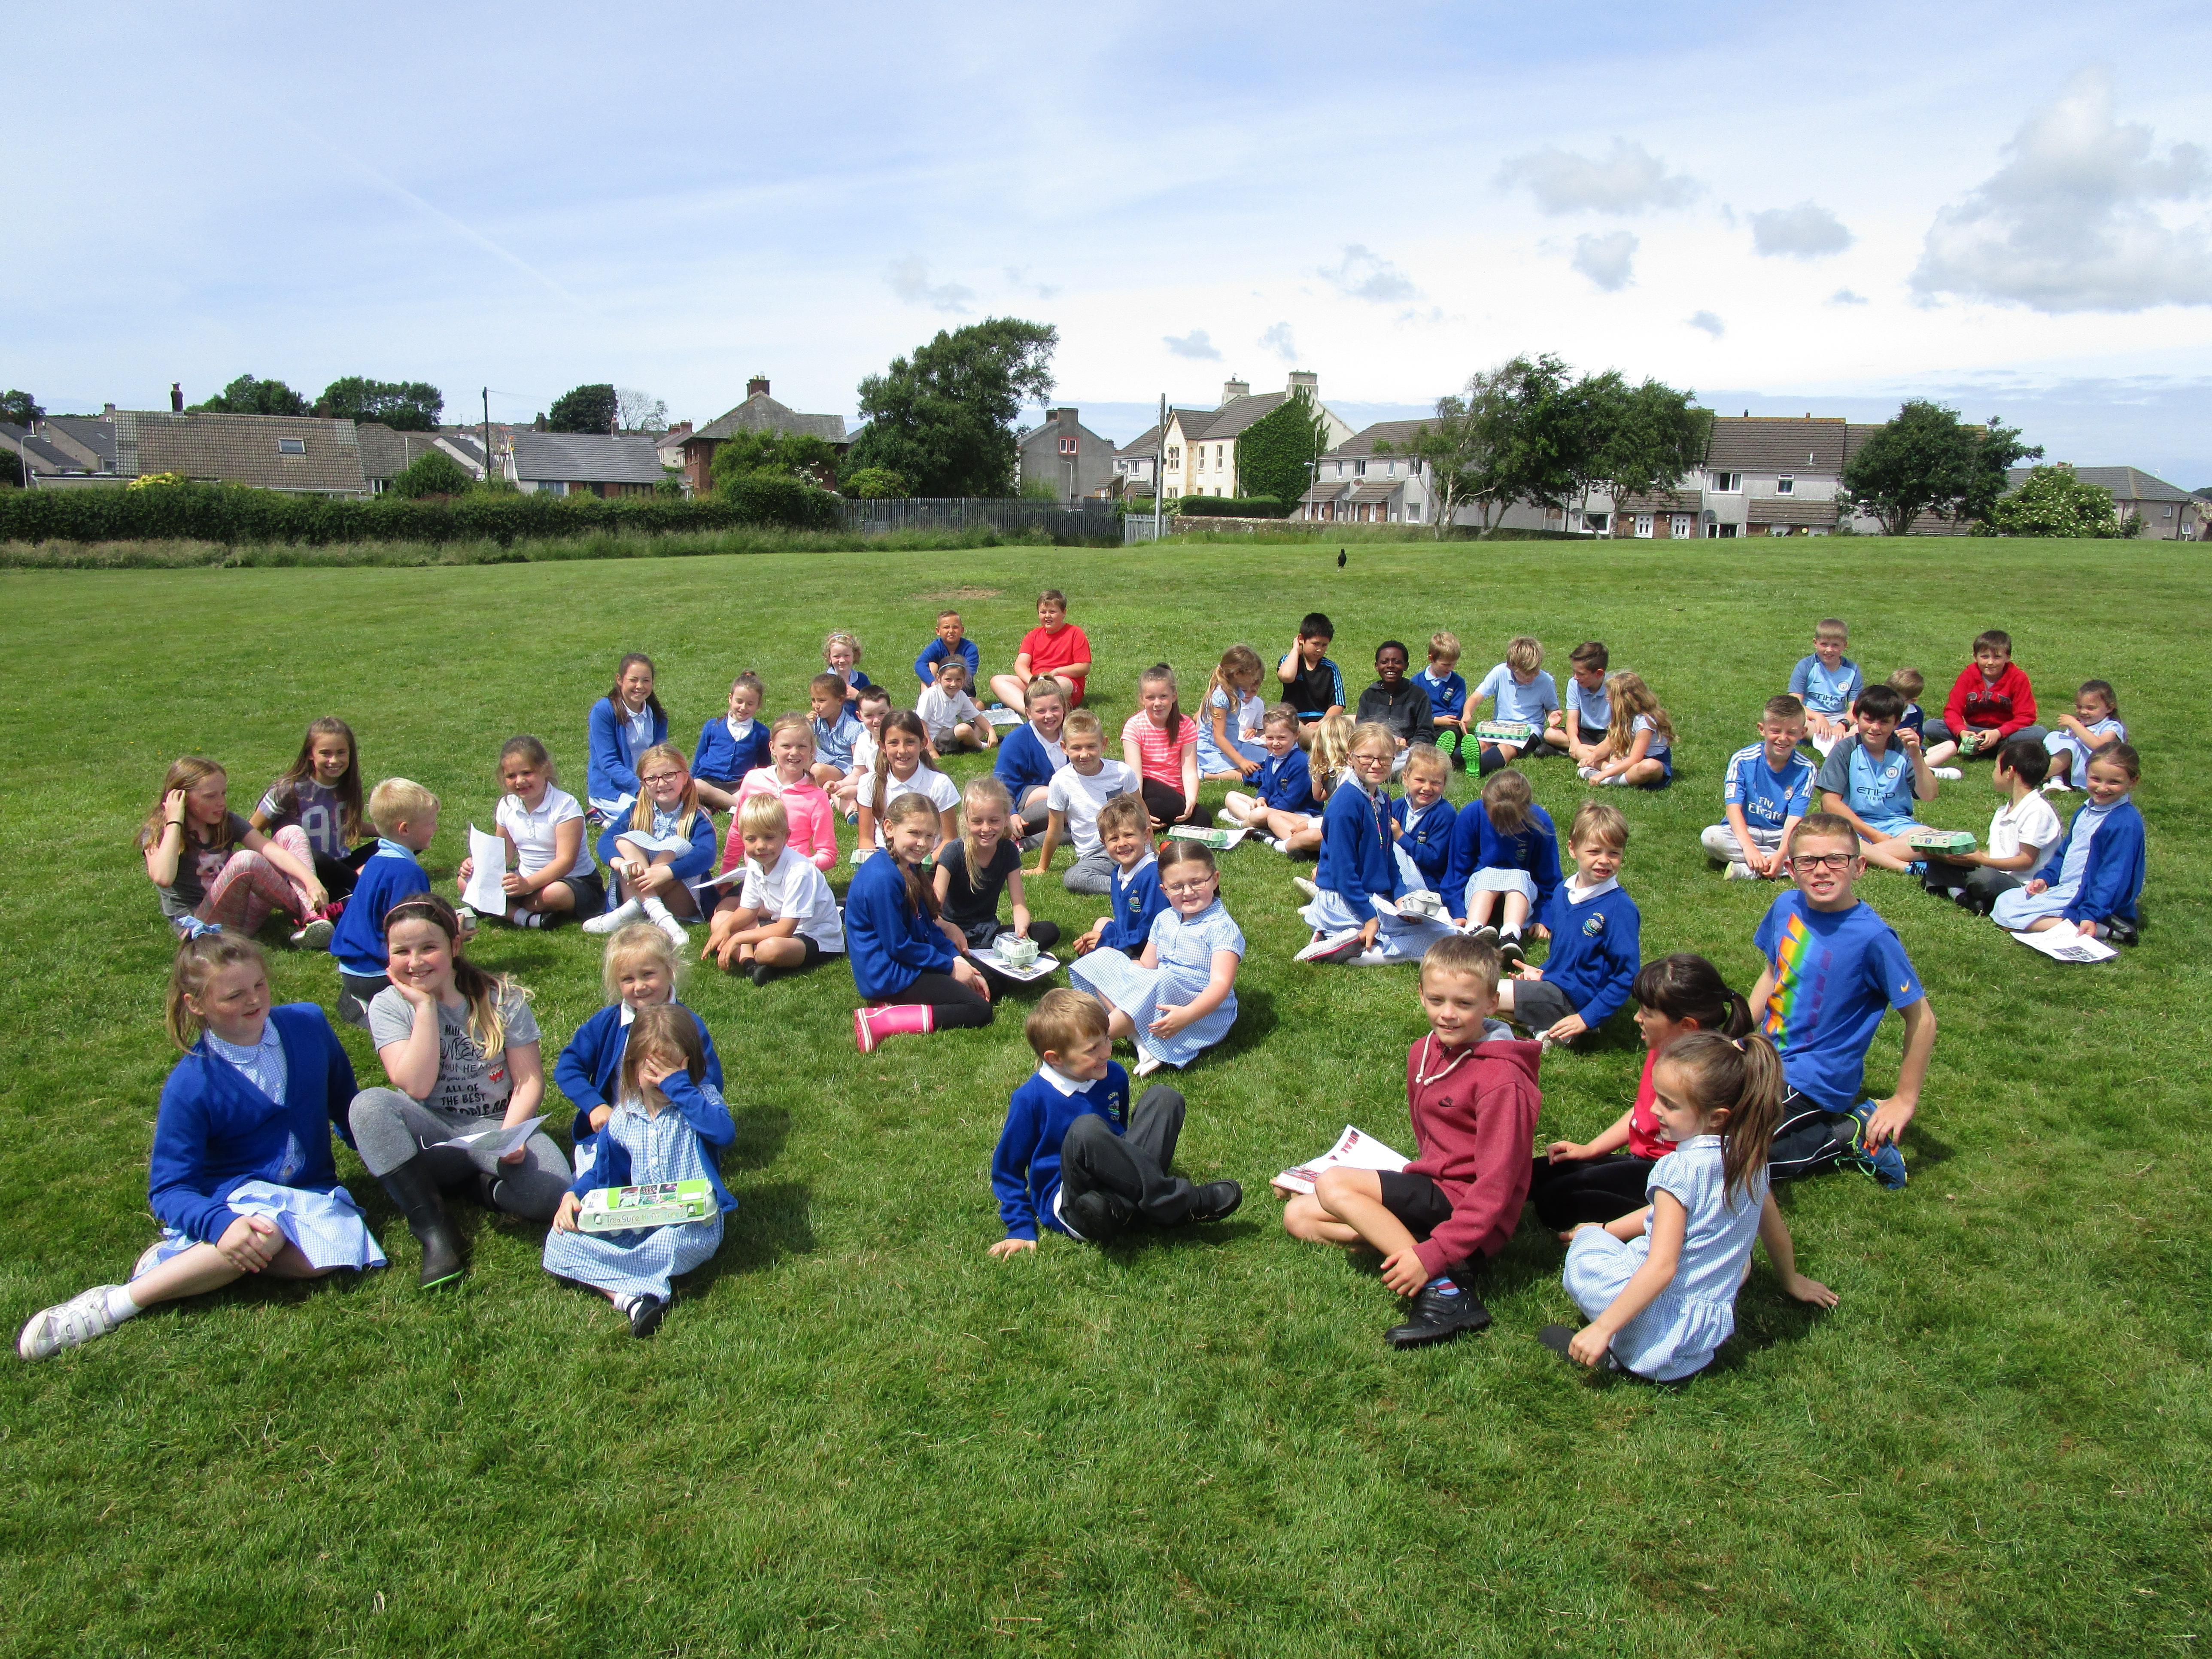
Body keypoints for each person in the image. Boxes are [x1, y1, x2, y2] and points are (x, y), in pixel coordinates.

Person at [17, 934, 383, 1361]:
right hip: (234, 1198)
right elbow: (169, 1189)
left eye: (259, 985)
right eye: (234, 996)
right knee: (264, 1236)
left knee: (323, 1260)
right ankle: (117, 1303)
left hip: (309, 1192)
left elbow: (346, 1106)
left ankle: (191, 1261)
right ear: (197, 1005)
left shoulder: (308, 1024)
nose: (254, 1000)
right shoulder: (192, 1083)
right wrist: (220, 1224)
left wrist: (393, 1162)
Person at [1279, 935, 1540, 1348]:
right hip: (1437, 1189)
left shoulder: (1503, 1081)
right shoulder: (1424, 1051)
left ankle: (1444, 1289)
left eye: (1465, 1003)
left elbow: (1495, 1188)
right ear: (1421, 994)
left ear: (1493, 1003)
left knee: (1334, 1185)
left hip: (1472, 1211)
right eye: (1437, 1000)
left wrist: (1432, 1256)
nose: (1448, 1014)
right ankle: (1423, 1251)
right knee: (1299, 1216)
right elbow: (1433, 1147)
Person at [1544, 1032, 1837, 1382]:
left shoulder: (1679, 1169)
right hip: (1698, 1338)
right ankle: (1652, 1353)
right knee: (1737, 1260)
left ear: (1716, 1117)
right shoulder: (1750, 1160)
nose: (1655, 1110)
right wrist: (1791, 1280)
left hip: (1653, 1321)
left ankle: (1621, 1349)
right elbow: (1772, 1229)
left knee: (1586, 1247)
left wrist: (1602, 1329)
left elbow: (1662, 1267)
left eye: (1670, 1104)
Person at [350, 895, 572, 1285]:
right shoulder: (388, 1005)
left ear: (454, 945)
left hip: (494, 1125)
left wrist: (510, 1136)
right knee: (368, 1106)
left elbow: (529, 1080)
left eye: (428, 948)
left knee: (553, 1193)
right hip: (431, 1133)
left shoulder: (500, 997)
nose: (415, 962)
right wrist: (424, 1007)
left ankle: (480, 1189)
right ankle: (434, 1229)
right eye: (402, 951)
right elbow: (416, 1084)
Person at [1747, 811, 1936, 1188]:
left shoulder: (1873, 938)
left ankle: (1848, 1135)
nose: (1822, 871)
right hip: (1766, 1059)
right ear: (1791, 869)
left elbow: (1923, 1020)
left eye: (1836, 859)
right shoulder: (1786, 906)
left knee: (1738, 1163)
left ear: (1859, 867)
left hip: (1816, 1078)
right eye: (1808, 861)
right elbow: (1771, 974)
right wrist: (1733, 1035)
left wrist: (1904, 1099)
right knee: (1696, 1122)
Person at [988, 988, 1242, 1252]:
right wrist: (1020, 1227)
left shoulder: (1114, 1075)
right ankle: (1180, 1203)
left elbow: (1121, 1137)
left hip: (1111, 1183)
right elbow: (1007, 1170)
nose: (1107, 1052)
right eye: (1093, 1048)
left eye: (1107, 1038)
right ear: (1056, 1058)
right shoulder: (1031, 1098)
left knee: (1164, 1098)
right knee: (1086, 1130)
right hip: (1072, 1195)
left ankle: (1121, 1208)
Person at [544, 1004, 735, 1340]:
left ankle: (625, 1288)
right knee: (560, 1240)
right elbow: (604, 1173)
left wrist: (681, 1088)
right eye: (654, 1070)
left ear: (690, 1066)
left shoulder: (700, 1101)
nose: (663, 1080)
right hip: (640, 1221)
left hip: (692, 1224)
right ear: (632, 1068)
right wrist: (574, 1194)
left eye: (672, 1070)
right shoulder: (623, 1117)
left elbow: (724, 1133)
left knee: (669, 1245)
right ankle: (632, 1300)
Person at [1530, 954, 1753, 1232]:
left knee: (1556, 1201)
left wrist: (1607, 1230)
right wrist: (1591, 1150)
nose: (1637, 1018)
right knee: (1536, 1173)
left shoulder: (1704, 1075)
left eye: (1648, 1012)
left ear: (1687, 1026)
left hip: (1670, 1175)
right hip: (1641, 1161)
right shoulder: (1665, 1045)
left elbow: (1704, 1182)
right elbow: (1642, 1111)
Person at [553, 921, 724, 1162]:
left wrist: (692, 1108)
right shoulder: (608, 1022)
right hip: (615, 1130)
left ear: (671, 969)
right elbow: (568, 1066)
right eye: (628, 979)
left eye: (648, 974)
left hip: (674, 1132)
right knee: (597, 1175)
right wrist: (594, 1105)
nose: (639, 986)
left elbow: (709, 1082)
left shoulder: (688, 1025)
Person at [1069, 840, 1243, 1076]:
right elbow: (1146, 965)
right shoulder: (1165, 918)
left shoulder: (1222, 927)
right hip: (1159, 988)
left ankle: (1088, 1042)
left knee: (1160, 980)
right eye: (1177, 887)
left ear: (1215, 879)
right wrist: (1120, 972)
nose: (1188, 892)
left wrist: (1186, 1016)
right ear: (1164, 890)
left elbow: (1221, 985)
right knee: (1104, 957)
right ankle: (1139, 1039)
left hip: (1200, 1009)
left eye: (1197, 882)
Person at [847, 791, 997, 1050]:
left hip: (910, 963)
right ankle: (883, 1020)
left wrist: (956, 959)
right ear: (889, 828)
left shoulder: (910, 867)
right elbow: (898, 946)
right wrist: (949, 968)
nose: (922, 843)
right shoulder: (882, 878)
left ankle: (901, 1005)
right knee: (978, 1009)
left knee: (987, 978)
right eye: (914, 833)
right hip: (889, 975)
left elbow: (928, 928)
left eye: (930, 836)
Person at [1297, 723, 1455, 966]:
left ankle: (1341, 937)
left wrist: (1400, 898)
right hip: (1346, 899)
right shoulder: (1346, 803)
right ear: (1350, 758)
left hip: (1369, 896)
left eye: (1384, 759)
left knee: (1441, 931)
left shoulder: (1381, 799)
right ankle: (1347, 950)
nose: (1376, 765)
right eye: (1366, 757)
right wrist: (1370, 917)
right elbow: (1343, 872)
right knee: (1439, 942)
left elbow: (1389, 858)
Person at [141, 756, 329, 946]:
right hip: (205, 930)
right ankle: (312, 911)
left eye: (223, 793)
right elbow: (163, 878)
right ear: (181, 798)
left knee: (291, 833)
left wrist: (311, 881)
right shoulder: (158, 832)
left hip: (242, 914)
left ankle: (314, 918)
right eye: (210, 796)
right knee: (246, 860)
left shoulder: (226, 821)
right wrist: (175, 821)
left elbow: (270, 849)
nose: (221, 803)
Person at [1496, 799, 1639, 1042]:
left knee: (1483, 994)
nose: (1604, 860)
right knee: (1482, 993)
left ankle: (1571, 1029)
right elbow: (1567, 952)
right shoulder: (1564, 891)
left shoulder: (1620, 908)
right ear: (1573, 849)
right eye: (1594, 851)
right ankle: (1549, 1030)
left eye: (1614, 853)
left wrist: (1587, 1018)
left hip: (1580, 1001)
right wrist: (1544, 973)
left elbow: (1627, 974)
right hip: (1557, 987)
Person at [1990, 742, 2145, 943]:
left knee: (2009, 914)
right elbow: (2066, 852)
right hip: (2068, 888)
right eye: (2096, 779)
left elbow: (2114, 875)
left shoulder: (2124, 822)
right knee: (2006, 900)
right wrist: (2046, 878)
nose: (2102, 788)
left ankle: (2100, 928)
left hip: (2089, 895)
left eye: (2114, 782)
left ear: (2133, 781)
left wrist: (2092, 912)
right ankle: (2082, 922)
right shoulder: (2087, 810)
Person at [460, 735, 606, 928]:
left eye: (527, 773)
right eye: (511, 776)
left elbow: (565, 862)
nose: (520, 781)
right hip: (525, 878)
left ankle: (499, 907)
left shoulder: (564, 805)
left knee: (554, 894)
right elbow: (503, 855)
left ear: (545, 769)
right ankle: (525, 917)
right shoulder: (506, 805)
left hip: (572, 881)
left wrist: (527, 885)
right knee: (464, 882)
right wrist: (477, 866)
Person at [328, 778, 439, 1028]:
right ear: (405, 829)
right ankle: (376, 1012)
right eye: (431, 822)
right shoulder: (407, 873)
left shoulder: (374, 862)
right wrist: (453, 931)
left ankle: (356, 999)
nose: (436, 828)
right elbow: (413, 931)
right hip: (378, 974)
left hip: (351, 968)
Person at [935, 777, 1060, 990]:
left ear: (1005, 819)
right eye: (978, 821)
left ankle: (990, 969)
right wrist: (948, 927)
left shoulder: (1008, 850)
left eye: (994, 821)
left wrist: (1021, 930)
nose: (986, 829)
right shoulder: (953, 852)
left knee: (1049, 931)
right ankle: (991, 970)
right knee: (984, 977)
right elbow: (931, 911)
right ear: (966, 820)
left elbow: (1019, 905)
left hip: (990, 933)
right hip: (954, 938)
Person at [704, 793, 846, 981]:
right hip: (778, 925)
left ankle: (757, 956)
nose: (760, 846)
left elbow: (786, 929)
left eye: (769, 837)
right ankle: (751, 965)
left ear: (786, 836)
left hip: (814, 937)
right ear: (742, 838)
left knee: (769, 949)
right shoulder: (756, 863)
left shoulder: (799, 871)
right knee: (720, 920)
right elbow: (748, 910)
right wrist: (727, 928)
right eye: (751, 839)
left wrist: (738, 937)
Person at [584, 744, 716, 945]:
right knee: (626, 840)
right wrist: (621, 864)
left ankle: (632, 911)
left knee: (675, 845)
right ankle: (660, 917)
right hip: (639, 887)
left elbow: (707, 855)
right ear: (643, 784)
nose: (661, 783)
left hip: (680, 898)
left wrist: (666, 872)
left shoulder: (697, 816)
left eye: (669, 775)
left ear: (685, 777)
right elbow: (605, 841)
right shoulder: (635, 811)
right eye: (652, 778)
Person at [1918, 736, 2062, 915]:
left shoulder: (2037, 811)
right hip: (1997, 871)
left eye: (1995, 768)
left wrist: (1982, 861)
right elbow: (1996, 854)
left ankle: (1959, 893)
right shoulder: (2004, 810)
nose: (1993, 774)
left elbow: (2026, 862)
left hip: (2022, 885)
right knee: (1940, 862)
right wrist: (1954, 857)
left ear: (2009, 772)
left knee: (1984, 879)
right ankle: (1967, 898)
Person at [1815, 683, 1939, 873]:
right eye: (1869, 720)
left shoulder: (1904, 750)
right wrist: (1874, 834)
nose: (1875, 728)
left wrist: (1916, 755)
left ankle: (1857, 855)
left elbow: (1929, 795)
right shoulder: (1845, 749)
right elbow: (1830, 803)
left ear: (1897, 723)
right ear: (1857, 717)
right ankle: (1905, 866)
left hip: (1898, 825)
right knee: (1840, 839)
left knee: (1941, 841)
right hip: (1853, 826)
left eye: (1884, 722)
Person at [250, 716, 371, 903]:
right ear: (310, 754)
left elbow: (346, 825)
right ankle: (363, 886)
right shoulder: (288, 790)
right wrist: (274, 863)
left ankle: (346, 891)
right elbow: (252, 830)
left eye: (341, 753)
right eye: (325, 753)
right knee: (314, 856)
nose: (334, 760)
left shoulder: (347, 786)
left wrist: (390, 832)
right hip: (306, 870)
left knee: (404, 840)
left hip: (341, 863)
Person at [1443, 768, 1562, 957]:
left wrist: (1544, 917)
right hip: (1479, 890)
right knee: (1488, 874)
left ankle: (1511, 935)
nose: (1505, 828)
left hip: (1521, 895)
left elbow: (1549, 877)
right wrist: (1457, 911)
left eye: (1512, 823)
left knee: (1517, 875)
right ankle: (1473, 930)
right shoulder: (1471, 815)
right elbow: (1457, 870)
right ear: (1484, 798)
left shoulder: (1540, 822)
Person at [1702, 696, 1814, 880]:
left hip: (1780, 835)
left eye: (1791, 732)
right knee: (1712, 837)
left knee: (1816, 845)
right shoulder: (1742, 760)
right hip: (1746, 831)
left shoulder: (1807, 769)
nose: (1783, 738)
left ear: (1803, 733)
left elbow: (1795, 818)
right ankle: (1782, 866)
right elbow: (1733, 808)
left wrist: (1781, 853)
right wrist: (1749, 849)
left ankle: (1747, 870)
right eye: (1776, 731)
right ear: (1762, 729)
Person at [1030, 708, 1140, 895]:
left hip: (1130, 845)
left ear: (1104, 744)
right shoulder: (1061, 782)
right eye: (1076, 748)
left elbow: (1140, 811)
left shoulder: (1121, 773)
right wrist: (1042, 867)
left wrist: (1150, 847)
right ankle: (1130, 887)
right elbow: (1055, 830)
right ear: (1064, 747)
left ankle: (1142, 878)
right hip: (1096, 855)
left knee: (1166, 865)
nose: (1084, 754)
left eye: (1091, 746)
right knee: (1075, 877)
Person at [719, 715, 838, 876]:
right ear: (773, 747)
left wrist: (799, 867)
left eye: (802, 746)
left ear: (812, 751)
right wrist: (727, 873)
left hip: (795, 877)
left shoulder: (817, 798)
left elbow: (828, 854)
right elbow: (737, 829)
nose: (794, 753)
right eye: (786, 746)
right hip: (756, 874)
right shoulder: (754, 780)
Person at [1923, 628, 2044, 773]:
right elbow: (1952, 710)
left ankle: (1978, 747)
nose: (1990, 662)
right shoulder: (1969, 675)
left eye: (1997, 657)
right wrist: (1962, 732)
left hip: (2005, 733)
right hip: (1974, 731)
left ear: (2008, 657)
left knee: (2039, 733)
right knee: (1931, 727)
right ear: (1975, 657)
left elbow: (2027, 716)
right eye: (1985, 657)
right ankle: (1984, 746)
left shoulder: (2018, 678)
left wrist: (1999, 733)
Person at [854, 709, 960, 860]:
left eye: (910, 742)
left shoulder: (939, 784)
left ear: (923, 744)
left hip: (927, 862)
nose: (902, 751)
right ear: (883, 746)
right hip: (885, 861)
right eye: (894, 743)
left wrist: (924, 866)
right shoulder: (869, 783)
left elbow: (949, 840)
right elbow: (866, 840)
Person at [1069, 793, 1165, 960]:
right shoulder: (1117, 874)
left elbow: (1150, 931)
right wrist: (1095, 940)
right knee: (1101, 924)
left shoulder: (1153, 875)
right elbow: (1122, 923)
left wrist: (1109, 941)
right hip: (1131, 942)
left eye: (1129, 835)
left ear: (1146, 835)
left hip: (1152, 948)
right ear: (1104, 843)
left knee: (1108, 953)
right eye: (1114, 838)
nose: (1122, 844)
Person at [1121, 662, 1214, 829]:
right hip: (1146, 789)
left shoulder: (1186, 725)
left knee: (1204, 819)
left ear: (1174, 696)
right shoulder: (1134, 726)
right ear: (1142, 699)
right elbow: (1134, 775)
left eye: (1163, 697)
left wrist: (1191, 800)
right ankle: (1145, 819)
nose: (1157, 703)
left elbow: (1190, 770)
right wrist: (1139, 809)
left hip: (1175, 794)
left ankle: (1163, 822)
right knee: (1165, 805)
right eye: (1151, 698)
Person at [1220, 706, 1318, 854]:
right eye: (1270, 738)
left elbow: (1291, 802)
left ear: (1297, 735)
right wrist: (1261, 798)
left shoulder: (1300, 762)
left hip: (1298, 814)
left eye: (1282, 738)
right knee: (1231, 796)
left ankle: (1244, 824)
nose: (1276, 743)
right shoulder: (1272, 758)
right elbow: (1266, 785)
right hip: (1272, 809)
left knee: (1259, 814)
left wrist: (1266, 810)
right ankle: (1254, 821)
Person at [586, 653, 667, 822]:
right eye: (633, 680)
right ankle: (600, 814)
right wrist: (640, 786)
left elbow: (659, 755)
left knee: (676, 808)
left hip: (649, 783)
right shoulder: (603, 711)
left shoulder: (657, 714)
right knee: (647, 816)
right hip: (613, 788)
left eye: (646, 681)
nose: (640, 686)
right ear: (620, 680)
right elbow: (608, 763)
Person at [1470, 635, 1560, 774]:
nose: (1531, 677)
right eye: (1526, 674)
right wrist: (1468, 713)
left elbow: (1551, 708)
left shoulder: (1545, 681)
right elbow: (1477, 697)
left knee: (1507, 747)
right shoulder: (1500, 672)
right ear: (1510, 666)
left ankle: (1482, 767)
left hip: (1530, 730)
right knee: (1482, 743)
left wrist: (1552, 715)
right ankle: (1462, 759)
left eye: (1535, 672)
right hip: (1500, 726)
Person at [991, 588, 1092, 712]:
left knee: (1060, 684)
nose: (1047, 616)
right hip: (1036, 682)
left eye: (1053, 612)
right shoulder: (1033, 636)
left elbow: (1084, 667)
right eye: (1043, 612)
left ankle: (1034, 705)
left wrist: (1057, 672)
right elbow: (1021, 664)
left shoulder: (1075, 633)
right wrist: (1033, 681)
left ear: (1064, 613)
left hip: (1062, 681)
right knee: (998, 681)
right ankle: (1029, 712)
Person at [994, 675, 1068, 840]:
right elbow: (1002, 785)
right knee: (1060, 801)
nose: (1049, 716)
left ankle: (1028, 843)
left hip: (1069, 798)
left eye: (1055, 709)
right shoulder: (1016, 741)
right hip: (1028, 804)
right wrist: (1011, 814)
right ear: (1028, 713)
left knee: (1075, 812)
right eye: (1041, 711)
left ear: (1063, 707)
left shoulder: (1072, 734)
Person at [1579, 672, 1674, 789]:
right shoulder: (1623, 718)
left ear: (1625, 700)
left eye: (1611, 697)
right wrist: (1591, 758)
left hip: (1644, 762)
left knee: (1649, 767)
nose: (1608, 699)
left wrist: (1604, 774)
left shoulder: (1644, 722)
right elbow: (1608, 744)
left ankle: (1610, 779)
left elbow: (1635, 759)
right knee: (1581, 749)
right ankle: (1616, 773)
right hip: (1626, 759)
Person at [690, 672, 769, 813]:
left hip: (737, 785)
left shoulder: (761, 733)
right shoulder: (713, 726)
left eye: (750, 704)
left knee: (755, 788)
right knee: (697, 785)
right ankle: (738, 806)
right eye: (739, 701)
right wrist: (689, 782)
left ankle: (716, 805)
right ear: (730, 698)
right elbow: (699, 758)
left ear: (759, 705)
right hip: (709, 781)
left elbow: (765, 767)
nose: (743, 707)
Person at [1354, 640, 1434, 767]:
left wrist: (1407, 743)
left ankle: (1389, 769)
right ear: (1376, 666)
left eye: (1397, 662)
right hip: (1374, 752)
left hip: (1405, 753)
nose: (1390, 666)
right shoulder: (1369, 696)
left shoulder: (1418, 695)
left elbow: (1426, 732)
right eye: (1384, 662)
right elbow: (1362, 730)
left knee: (1417, 757)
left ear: (1406, 666)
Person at [1786, 619, 1861, 757]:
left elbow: (1856, 707)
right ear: (1815, 643)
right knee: (1793, 720)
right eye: (1824, 644)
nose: (1829, 650)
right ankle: (1839, 742)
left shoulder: (1852, 670)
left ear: (1845, 645)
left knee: (1866, 723)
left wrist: (1843, 724)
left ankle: (1829, 741)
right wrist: (1818, 717)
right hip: (1811, 717)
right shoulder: (1806, 666)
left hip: (1839, 717)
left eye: (1835, 645)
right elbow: (1794, 703)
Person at [1389, 743, 1455, 895]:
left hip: (1427, 882)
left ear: (1444, 784)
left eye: (1436, 783)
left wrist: (1401, 837)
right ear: (1406, 779)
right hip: (1396, 874)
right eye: (1420, 780)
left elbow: (1434, 859)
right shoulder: (1397, 806)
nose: (1427, 788)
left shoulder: (1445, 814)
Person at [1197, 644, 1269, 781]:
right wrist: (1242, 762)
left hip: (1232, 745)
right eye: (1252, 676)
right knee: (1245, 776)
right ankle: (1202, 773)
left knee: (1266, 756)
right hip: (1213, 750)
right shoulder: (1220, 697)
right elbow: (1219, 738)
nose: (1254, 680)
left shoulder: (1234, 690)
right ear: (1237, 674)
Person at [2043, 679, 2125, 793]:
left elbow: (2100, 747)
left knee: (2070, 745)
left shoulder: (2112, 727)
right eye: (2079, 707)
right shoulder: (2082, 725)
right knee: (2057, 736)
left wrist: (2074, 724)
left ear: (2109, 708)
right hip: (2072, 766)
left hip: (2093, 770)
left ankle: (2042, 776)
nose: (2083, 712)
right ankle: (2056, 780)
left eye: (2090, 708)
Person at [1276, 612, 1346, 745]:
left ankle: (1319, 739)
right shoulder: (1289, 661)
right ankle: (1321, 741)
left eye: (1324, 645)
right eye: (1316, 644)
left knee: (1353, 719)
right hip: (1293, 720)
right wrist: (1296, 649)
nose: (1319, 650)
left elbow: (1338, 705)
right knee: (1292, 727)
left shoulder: (1330, 668)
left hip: (1323, 722)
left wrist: (1321, 723)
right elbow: (1286, 677)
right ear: (1301, 639)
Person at [835, 684, 896, 820]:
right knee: (837, 791)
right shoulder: (863, 739)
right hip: (870, 788)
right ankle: (852, 810)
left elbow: (892, 779)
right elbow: (858, 774)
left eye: (882, 714)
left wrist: (857, 790)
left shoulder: (896, 740)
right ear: (860, 716)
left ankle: (855, 807)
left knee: (851, 792)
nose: (877, 720)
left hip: (894, 791)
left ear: (891, 711)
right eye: (869, 715)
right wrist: (840, 784)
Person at [1548, 641, 1611, 767]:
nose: (1576, 677)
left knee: (1622, 744)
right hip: (1584, 733)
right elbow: (1572, 721)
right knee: (1550, 734)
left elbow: (1619, 727)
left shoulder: (1614, 687)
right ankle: (1588, 751)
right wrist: (1574, 742)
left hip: (1608, 734)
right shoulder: (1574, 684)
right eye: (1574, 672)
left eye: (1581, 674)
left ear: (1599, 673)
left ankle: (1585, 753)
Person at [918, 657, 995, 753]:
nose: (953, 684)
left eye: (958, 680)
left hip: (950, 733)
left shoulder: (960, 695)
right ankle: (980, 746)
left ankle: (969, 743)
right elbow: (921, 724)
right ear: (938, 678)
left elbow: (978, 717)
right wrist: (932, 751)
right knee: (965, 729)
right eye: (948, 680)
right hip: (934, 739)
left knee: (982, 725)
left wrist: (991, 731)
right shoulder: (930, 695)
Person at [808, 672, 868, 791]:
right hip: (826, 762)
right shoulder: (818, 722)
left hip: (845, 771)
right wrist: (806, 726)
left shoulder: (852, 728)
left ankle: (812, 794)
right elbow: (801, 743)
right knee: (802, 757)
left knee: (817, 770)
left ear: (840, 700)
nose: (816, 706)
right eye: (813, 700)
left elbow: (859, 765)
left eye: (822, 700)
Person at [1417, 631, 1470, 769]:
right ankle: (1441, 754)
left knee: (1453, 733)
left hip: (1448, 724)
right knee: (1418, 734)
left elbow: (1456, 711)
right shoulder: (1417, 682)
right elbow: (1414, 711)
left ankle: (1442, 751)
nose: (1450, 668)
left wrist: (1446, 721)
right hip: (1426, 723)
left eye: (1453, 665)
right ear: (1431, 658)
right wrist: (1435, 720)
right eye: (1446, 665)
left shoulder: (1458, 682)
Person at [914, 609, 980, 689]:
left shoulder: (970, 648)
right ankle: (927, 697)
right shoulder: (936, 646)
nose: (951, 631)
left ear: (962, 630)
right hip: (938, 686)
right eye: (946, 627)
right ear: (938, 631)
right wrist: (933, 683)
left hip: (962, 688)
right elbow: (920, 664)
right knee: (931, 666)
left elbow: (970, 672)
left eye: (955, 627)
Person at [822, 630, 872, 716]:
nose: (842, 660)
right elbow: (819, 704)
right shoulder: (824, 681)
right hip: (833, 722)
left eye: (847, 656)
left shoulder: (861, 679)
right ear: (829, 658)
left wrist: (858, 696)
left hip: (859, 721)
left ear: (854, 656)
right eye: (837, 657)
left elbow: (873, 705)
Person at [1887, 666, 1926, 739]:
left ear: (1912, 701)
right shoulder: (1879, 709)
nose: (1890, 699)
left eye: (1897, 698)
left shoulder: (1917, 713)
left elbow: (1919, 735)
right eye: (1888, 693)